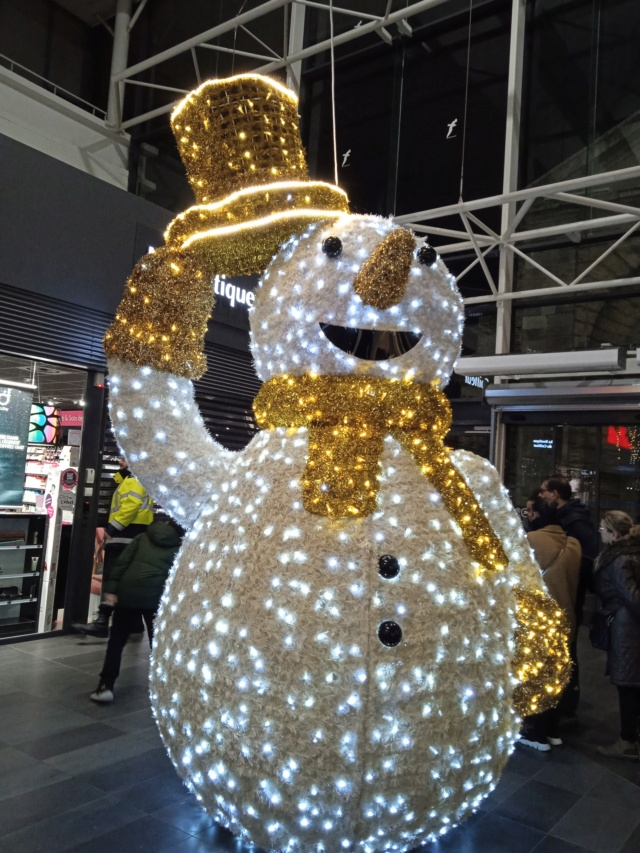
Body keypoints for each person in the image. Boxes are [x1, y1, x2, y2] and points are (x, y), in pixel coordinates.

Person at [90, 519, 183, 703]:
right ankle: (165, 689)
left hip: (127, 594)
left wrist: (112, 590)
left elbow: (122, 564)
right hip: (155, 598)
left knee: (116, 643)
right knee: (158, 645)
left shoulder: (142, 537)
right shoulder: (180, 547)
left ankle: (105, 687)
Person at [518, 500, 581, 751]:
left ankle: (538, 734)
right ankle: (553, 730)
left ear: (536, 516)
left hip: (538, 618)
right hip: (566, 617)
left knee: (537, 677)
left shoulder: (530, 540)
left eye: (530, 512)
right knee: (557, 676)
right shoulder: (573, 544)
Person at [73, 457, 154, 637]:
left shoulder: (134, 480)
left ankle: (102, 621)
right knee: (125, 580)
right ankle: (134, 622)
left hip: (123, 536)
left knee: (112, 579)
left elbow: (131, 506)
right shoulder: (133, 479)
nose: (119, 460)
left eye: (124, 457)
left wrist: (112, 528)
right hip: (133, 535)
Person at [539, 475, 598, 719]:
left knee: (566, 650)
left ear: (555, 494)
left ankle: (564, 701)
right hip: (569, 592)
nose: (541, 494)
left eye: (544, 491)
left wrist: (567, 575)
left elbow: (587, 557)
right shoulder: (570, 518)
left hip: (569, 594)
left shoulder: (573, 522)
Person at [593, 511, 640, 759]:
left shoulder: (619, 559)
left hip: (627, 628)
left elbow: (633, 597)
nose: (599, 532)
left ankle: (628, 740)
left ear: (614, 534)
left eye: (602, 529)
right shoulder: (632, 551)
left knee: (627, 684)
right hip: (629, 625)